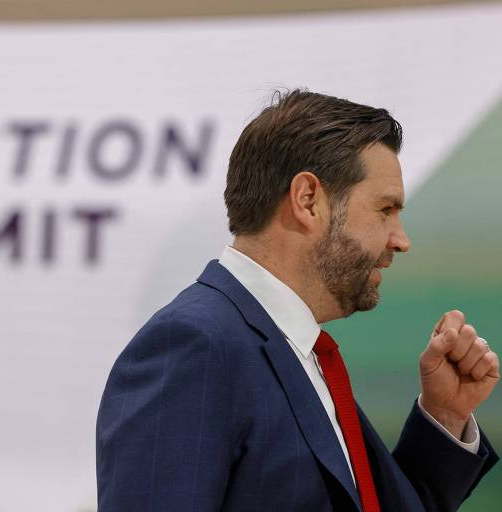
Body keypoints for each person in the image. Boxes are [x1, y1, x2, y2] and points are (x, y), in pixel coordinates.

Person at [95, 90, 499, 511]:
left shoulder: (301, 353)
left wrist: (445, 416)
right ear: (308, 199)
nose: (401, 240)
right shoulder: (194, 346)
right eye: (385, 209)